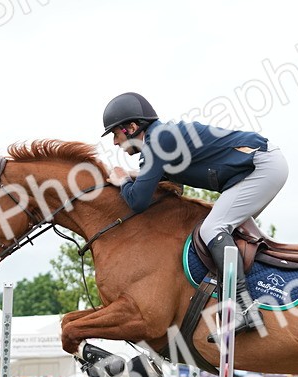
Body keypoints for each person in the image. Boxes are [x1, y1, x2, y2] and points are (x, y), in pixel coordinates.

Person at [102, 91, 288, 338]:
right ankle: (258, 292)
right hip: (255, 167)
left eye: (115, 134)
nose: (114, 142)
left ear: (132, 127)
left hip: (261, 166)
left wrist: (124, 180)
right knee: (225, 231)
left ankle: (244, 309)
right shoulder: (161, 138)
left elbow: (138, 201)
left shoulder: (158, 141)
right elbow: (158, 180)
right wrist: (128, 178)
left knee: (212, 229)